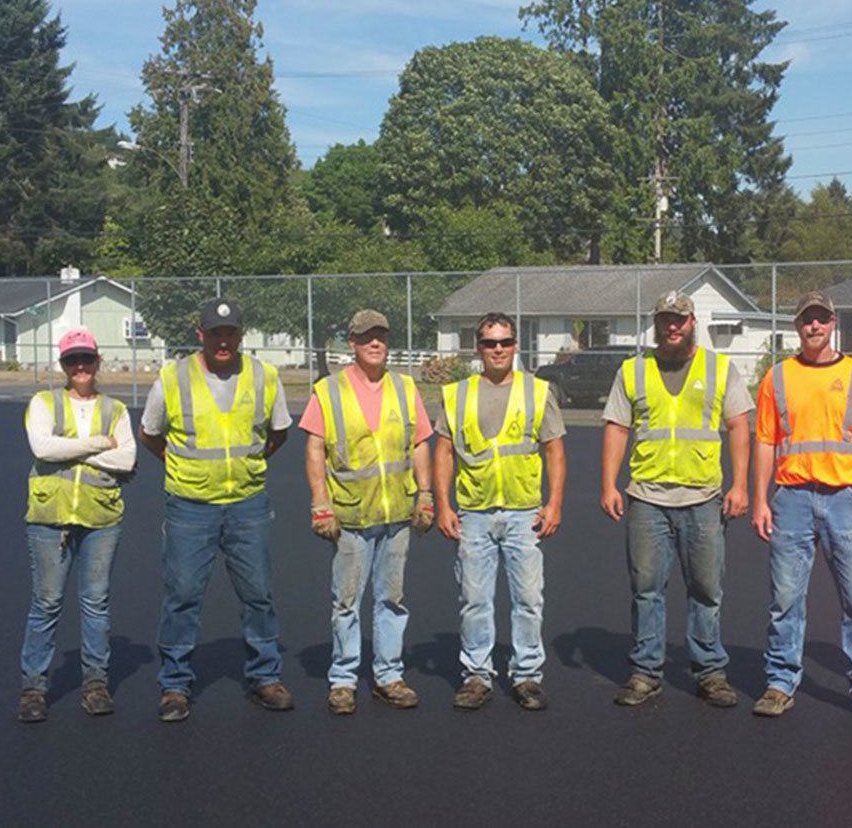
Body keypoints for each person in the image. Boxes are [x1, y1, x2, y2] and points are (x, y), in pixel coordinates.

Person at [139, 299, 293, 722]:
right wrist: (185, 468)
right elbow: (150, 434)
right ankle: (175, 684)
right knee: (183, 595)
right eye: (215, 333)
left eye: (231, 333)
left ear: (240, 336)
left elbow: (278, 433)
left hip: (247, 503)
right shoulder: (172, 379)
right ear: (200, 334)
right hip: (191, 505)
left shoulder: (264, 377)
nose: (223, 341)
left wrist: (248, 467)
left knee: (258, 594)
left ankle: (265, 676)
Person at [600, 291, 752, 708]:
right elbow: (616, 426)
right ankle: (646, 671)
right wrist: (608, 484)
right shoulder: (633, 371)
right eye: (665, 319)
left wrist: (740, 485)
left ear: (692, 322)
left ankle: (710, 671)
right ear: (656, 322)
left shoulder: (720, 369)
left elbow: (739, 426)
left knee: (706, 587)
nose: (672, 326)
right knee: (646, 588)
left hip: (703, 497)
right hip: (647, 497)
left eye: (680, 319)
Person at [750, 292, 852, 724]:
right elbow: (765, 441)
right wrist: (760, 499)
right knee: (786, 600)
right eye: (806, 320)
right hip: (791, 498)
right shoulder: (777, 378)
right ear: (797, 327)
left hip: (846, 499)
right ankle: (779, 682)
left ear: (833, 324)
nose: (814, 327)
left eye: (821, 319)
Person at [302, 309, 433, 715]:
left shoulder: (405, 387)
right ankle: (343, 679)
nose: (375, 343)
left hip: (397, 513)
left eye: (381, 336)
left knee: (392, 598)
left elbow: (420, 443)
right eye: (366, 337)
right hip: (351, 517)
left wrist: (425, 494)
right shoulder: (328, 391)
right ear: (352, 343)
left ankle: (388, 675)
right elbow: (314, 449)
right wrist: (321, 502)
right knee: (346, 600)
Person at [434, 312, 566, 711]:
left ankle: (526, 674)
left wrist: (554, 502)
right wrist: (442, 505)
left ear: (516, 346)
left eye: (505, 342)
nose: (498, 350)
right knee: (474, 599)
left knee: (528, 599)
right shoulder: (456, 394)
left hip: (524, 512)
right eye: (490, 343)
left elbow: (555, 450)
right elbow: (442, 451)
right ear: (478, 347)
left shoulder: (538, 392)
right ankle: (476, 675)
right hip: (473, 512)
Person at [17, 328, 136, 722]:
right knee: (46, 602)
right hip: (50, 519)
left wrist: (78, 452)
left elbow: (127, 460)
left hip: (101, 518)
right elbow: (43, 448)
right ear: (63, 365)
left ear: (98, 361)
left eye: (86, 359)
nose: (80, 367)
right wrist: (100, 444)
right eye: (72, 360)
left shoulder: (115, 410)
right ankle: (34, 688)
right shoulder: (43, 403)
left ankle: (95, 683)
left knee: (96, 603)